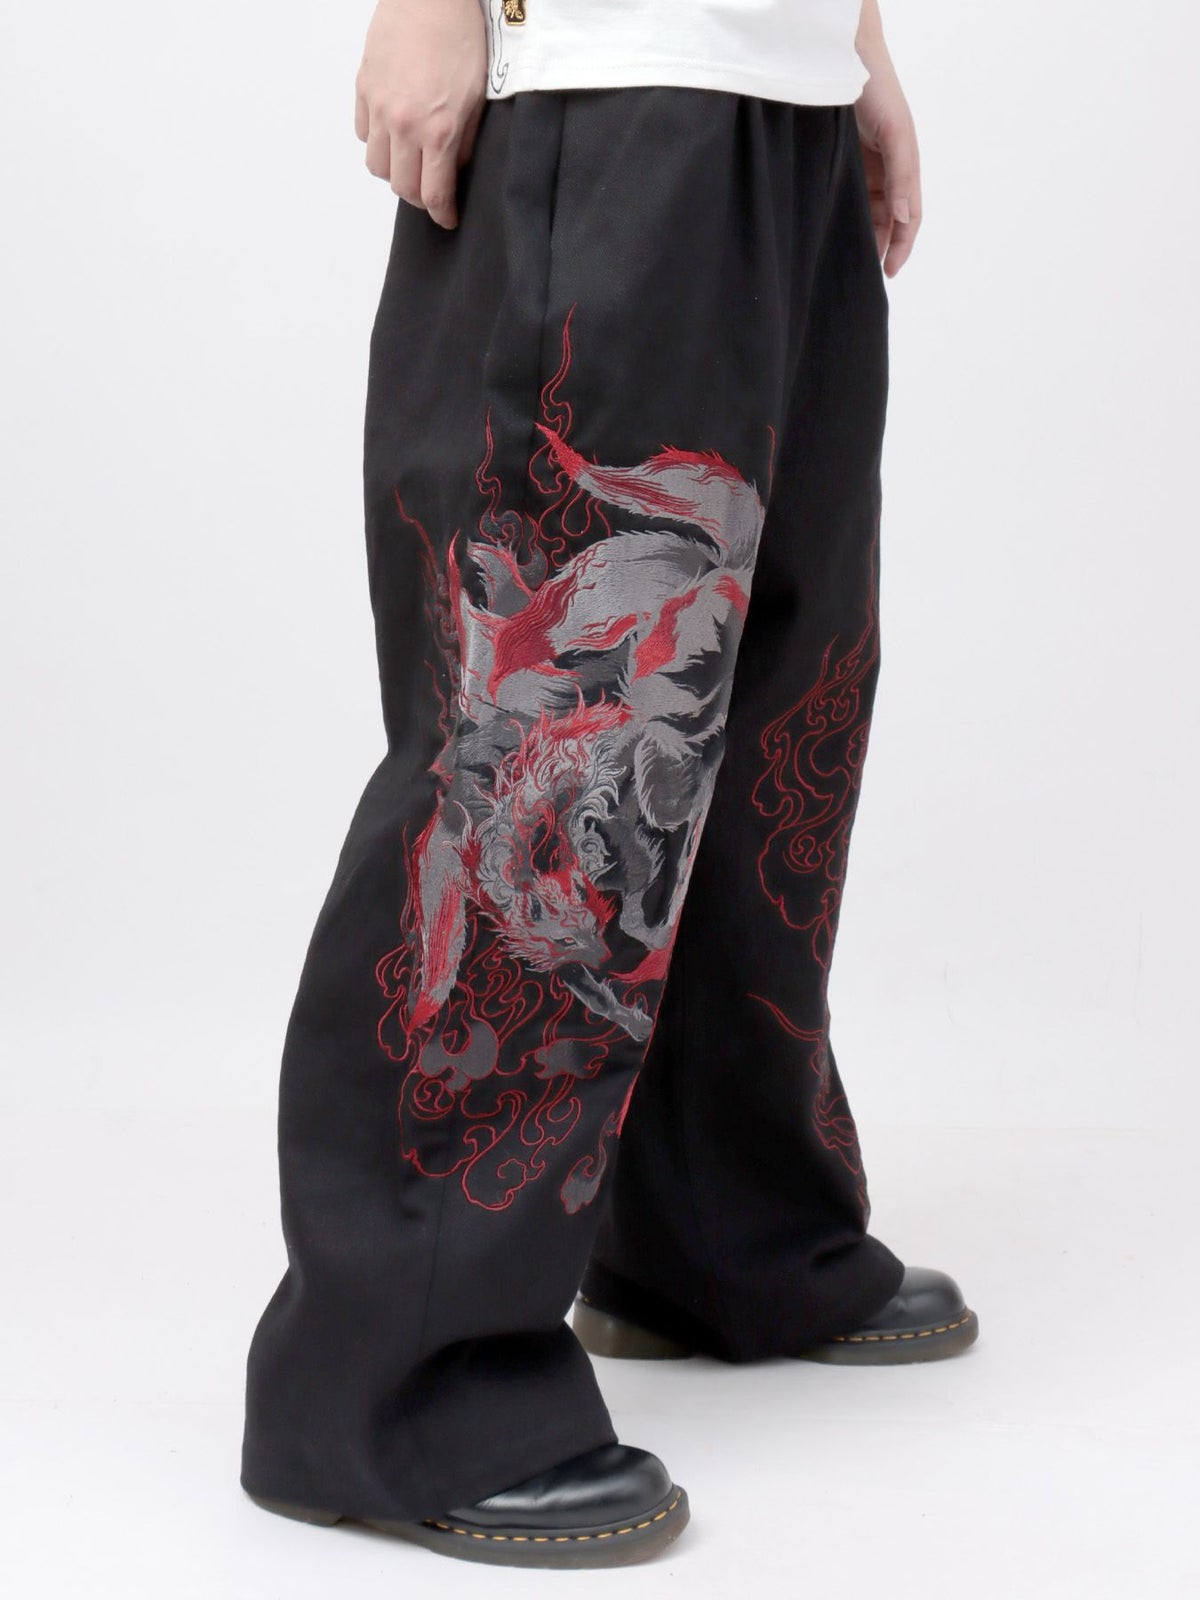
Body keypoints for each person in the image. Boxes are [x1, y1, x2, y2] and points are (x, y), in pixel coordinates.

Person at [239, 0, 976, 1569]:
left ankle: (717, 1229)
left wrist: (855, 46)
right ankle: (395, 1379)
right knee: (548, 738)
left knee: (775, 704)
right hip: (595, 80)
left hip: (775, 91)